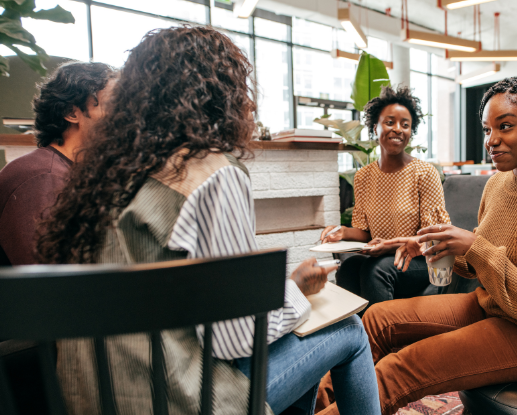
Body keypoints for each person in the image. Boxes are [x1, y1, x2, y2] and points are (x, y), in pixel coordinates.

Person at [37, 27, 379, 415]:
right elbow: (232, 339)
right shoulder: (210, 171)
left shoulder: (104, 176)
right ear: (222, 94)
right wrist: (296, 292)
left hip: (92, 398)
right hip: (178, 401)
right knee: (347, 331)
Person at [316, 76, 517, 415]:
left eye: (505, 126)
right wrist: (435, 246)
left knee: (399, 369)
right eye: (486, 130)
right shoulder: (498, 184)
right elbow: (476, 261)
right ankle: (307, 405)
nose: (491, 141)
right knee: (375, 320)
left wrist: (473, 246)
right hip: (492, 305)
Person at [320, 85, 450, 310]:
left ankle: (383, 341)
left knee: (376, 268)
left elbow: (435, 238)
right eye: (390, 122)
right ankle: (356, 337)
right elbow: (365, 233)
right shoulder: (363, 177)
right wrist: (342, 231)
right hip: (383, 257)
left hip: (420, 260)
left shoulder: (425, 173)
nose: (398, 129)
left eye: (405, 124)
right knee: (350, 267)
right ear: (375, 127)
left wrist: (389, 247)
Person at [0, 61, 116, 266]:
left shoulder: (74, 173)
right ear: (71, 113)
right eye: (112, 105)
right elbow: (50, 281)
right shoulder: (42, 177)